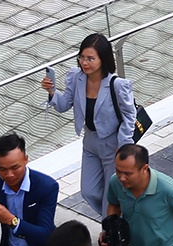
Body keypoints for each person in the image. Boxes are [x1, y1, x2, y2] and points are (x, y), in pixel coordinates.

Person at [43, 33, 139, 216]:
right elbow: (64, 105)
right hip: (90, 143)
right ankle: (114, 218)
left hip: (114, 145)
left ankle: (109, 230)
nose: (84, 63)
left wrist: (124, 147)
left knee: (110, 195)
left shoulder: (117, 84)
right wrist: (52, 91)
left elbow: (129, 115)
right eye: (82, 58)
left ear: (103, 59)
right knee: (89, 191)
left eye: (90, 59)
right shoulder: (76, 78)